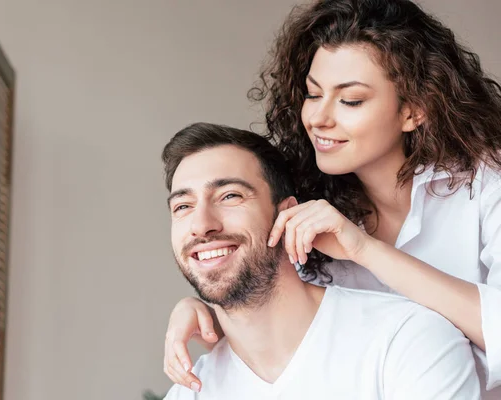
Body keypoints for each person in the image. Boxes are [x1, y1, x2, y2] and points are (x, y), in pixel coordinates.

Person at [163, 0, 501, 397]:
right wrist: (202, 309)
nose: (318, 119)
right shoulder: (310, 204)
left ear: (415, 110)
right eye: (312, 94)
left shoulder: (486, 184)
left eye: (351, 100)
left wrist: (364, 250)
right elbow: (278, 304)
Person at [160, 122, 480, 399]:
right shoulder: (191, 392)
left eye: (230, 196)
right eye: (183, 206)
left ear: (286, 214)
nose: (202, 224)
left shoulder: (407, 342)